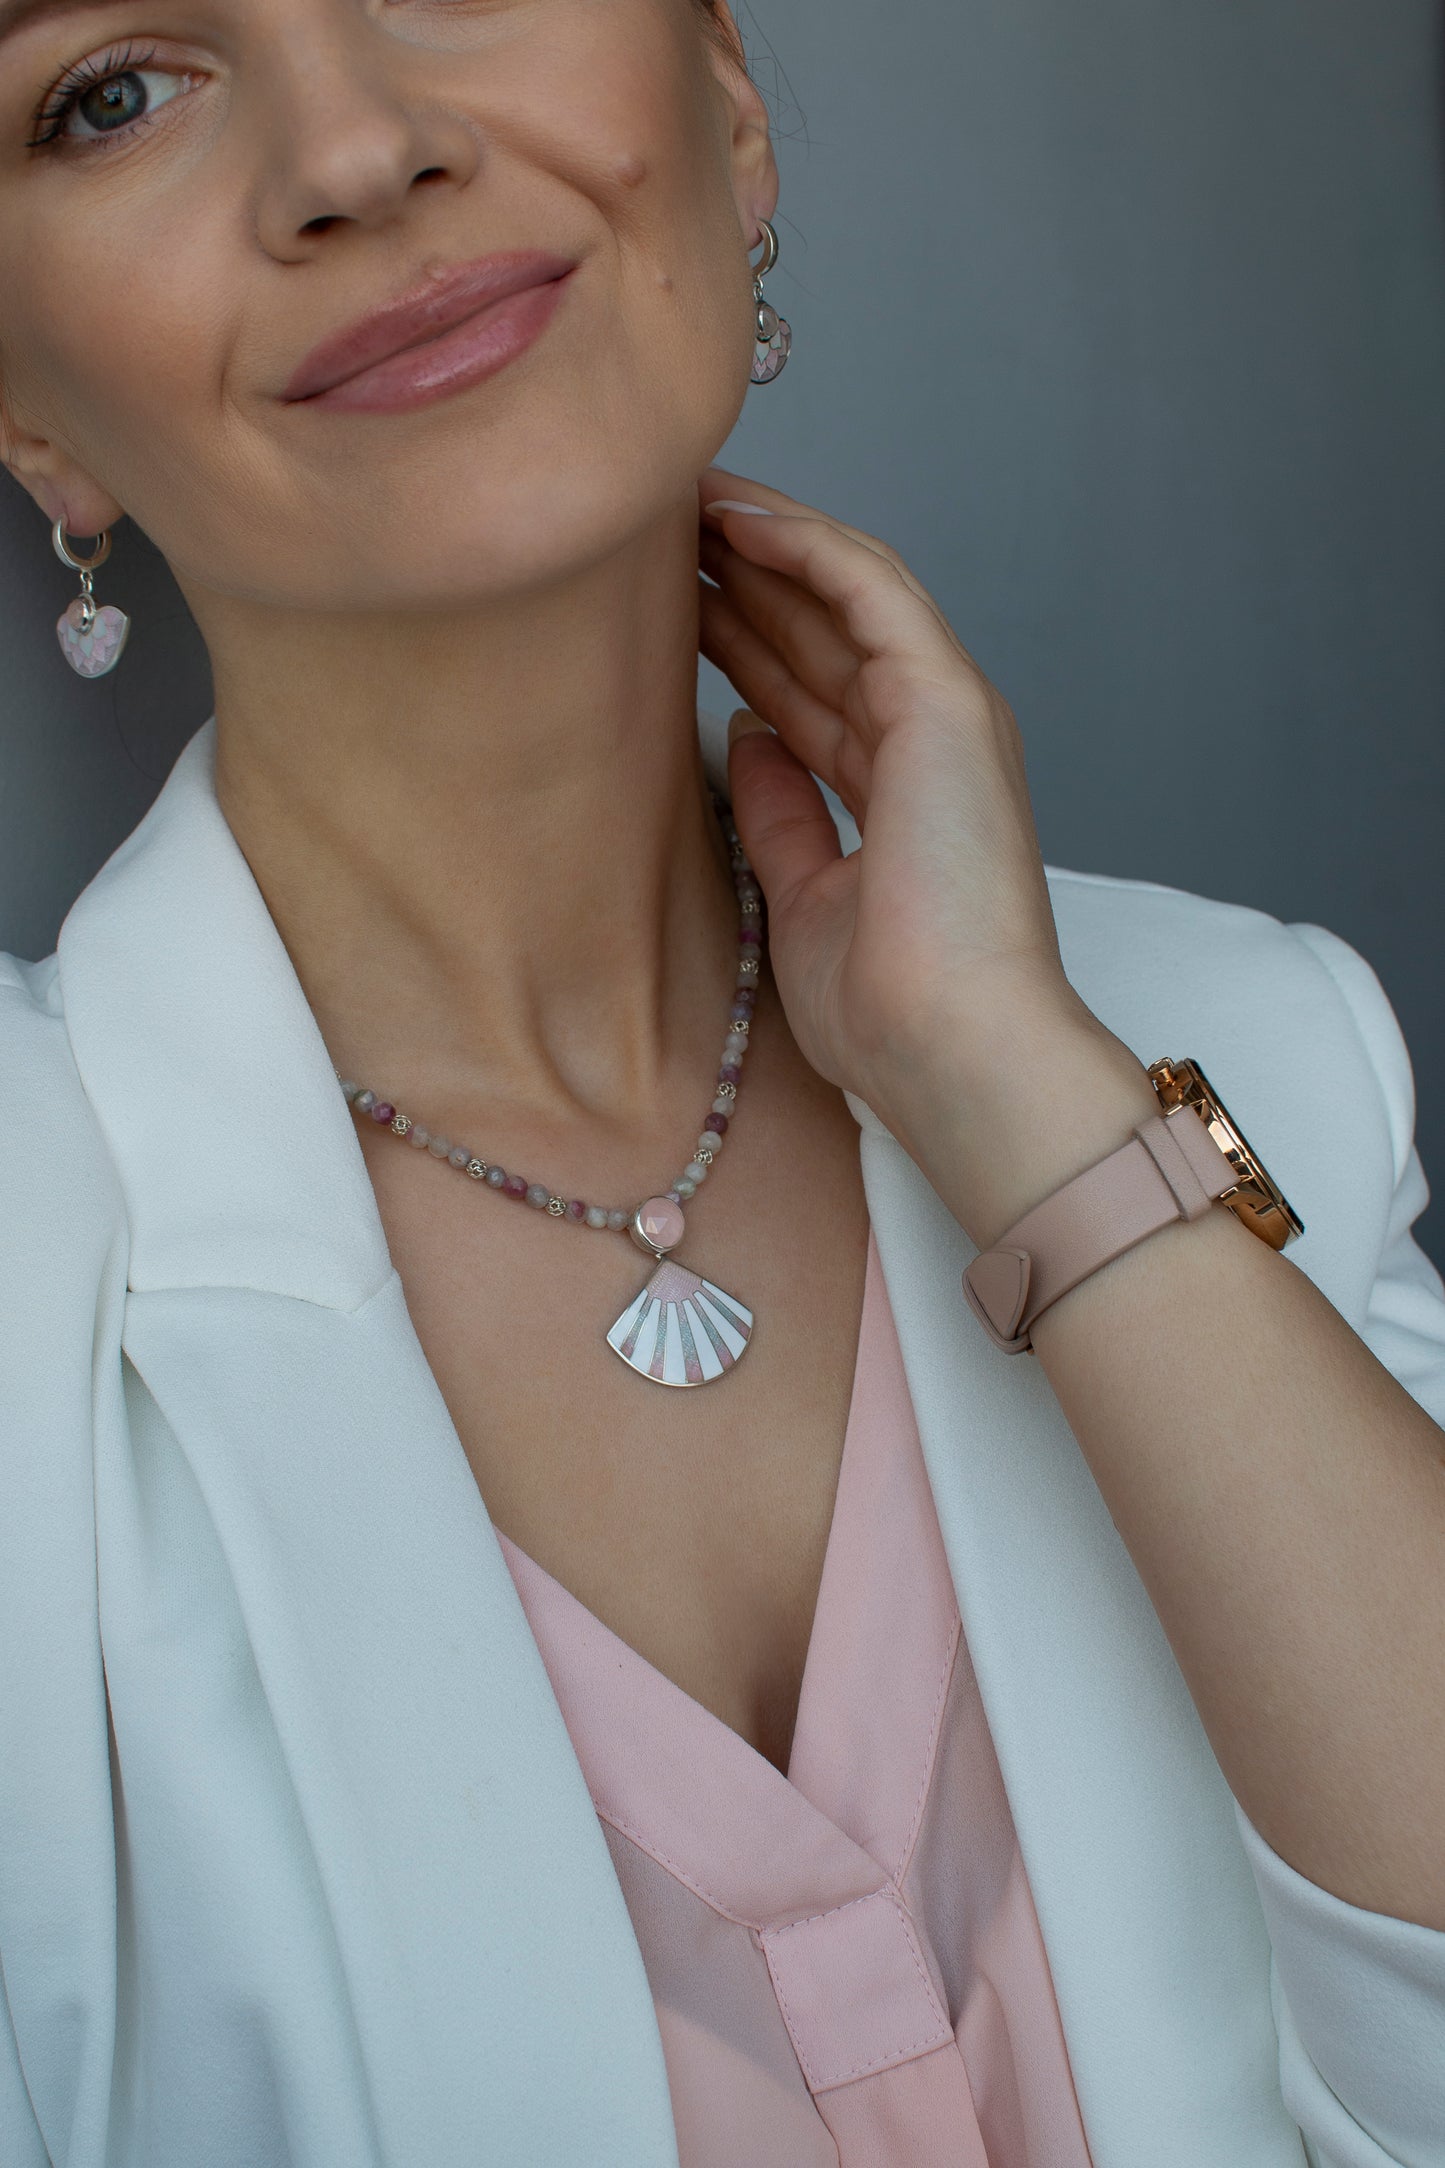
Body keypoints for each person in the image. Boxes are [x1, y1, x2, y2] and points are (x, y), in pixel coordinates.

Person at [1, 3, 1442, 2163]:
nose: (357, 148)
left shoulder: (1254, 1053)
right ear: (32, 418)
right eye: (112, 86)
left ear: (732, 112)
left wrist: (1028, 1104)